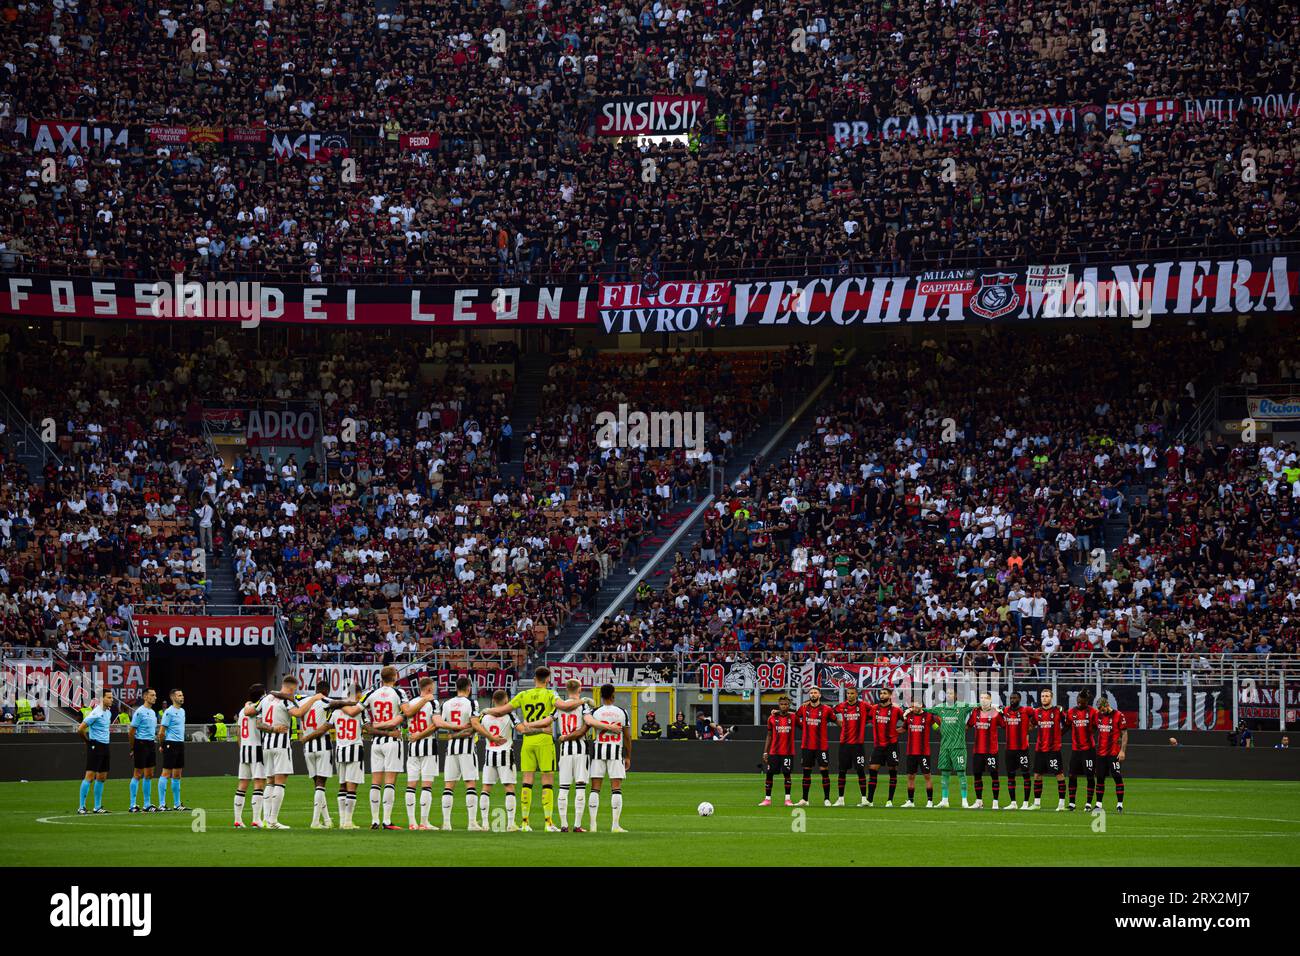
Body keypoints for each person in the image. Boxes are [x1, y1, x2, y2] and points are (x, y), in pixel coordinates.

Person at [482, 665, 587, 832]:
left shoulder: (523, 695)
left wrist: (486, 710)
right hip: (544, 740)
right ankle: (548, 823)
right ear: (548, 679)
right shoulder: (550, 694)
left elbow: (502, 710)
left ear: (534, 679)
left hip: (527, 741)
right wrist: (584, 700)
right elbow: (566, 707)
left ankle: (524, 823)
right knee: (547, 781)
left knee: (527, 781)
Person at [255, 675, 325, 829]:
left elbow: (258, 723)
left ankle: (266, 819)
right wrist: (313, 699)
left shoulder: (266, 699)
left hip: (266, 743)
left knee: (270, 781)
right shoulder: (286, 699)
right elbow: (298, 713)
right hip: (281, 744)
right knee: (280, 781)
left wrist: (271, 728)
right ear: (292, 688)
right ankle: (273, 821)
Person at [401, 676, 459, 830]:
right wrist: (457, 726)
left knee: (411, 785)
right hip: (428, 745)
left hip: (412, 746)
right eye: (433, 687)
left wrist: (415, 735)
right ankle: (424, 822)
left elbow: (405, 719)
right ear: (428, 689)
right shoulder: (432, 703)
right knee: (426, 785)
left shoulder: (411, 702)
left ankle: (412, 822)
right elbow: (436, 724)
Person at [359, 665, 410, 830]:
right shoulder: (399, 693)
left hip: (375, 741)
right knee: (390, 782)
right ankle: (387, 821)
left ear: (381, 678)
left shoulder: (371, 694)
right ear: (395, 677)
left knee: (375, 782)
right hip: (392, 740)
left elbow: (358, 710)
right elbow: (407, 712)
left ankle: (374, 820)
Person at [473, 689, 519, 832]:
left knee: (486, 789)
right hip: (505, 753)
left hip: (489, 753)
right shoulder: (510, 714)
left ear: (493, 701)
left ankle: (485, 823)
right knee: (509, 788)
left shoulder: (484, 715)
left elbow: (473, 728)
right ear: (506, 701)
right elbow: (521, 728)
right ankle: (510, 824)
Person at [587, 683, 630, 833]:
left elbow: (586, 728)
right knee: (616, 788)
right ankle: (615, 825)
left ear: (601, 695)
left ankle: (593, 825)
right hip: (615, 751)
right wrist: (628, 756)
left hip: (598, 750)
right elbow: (627, 737)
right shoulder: (622, 712)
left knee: (595, 788)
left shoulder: (595, 712)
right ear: (613, 694)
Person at [439, 676, 481, 831]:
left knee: (449, 785)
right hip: (467, 748)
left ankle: (446, 823)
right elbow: (474, 725)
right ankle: (471, 823)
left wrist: (452, 732)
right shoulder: (471, 702)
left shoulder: (447, 704)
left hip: (451, 748)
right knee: (470, 783)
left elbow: (441, 723)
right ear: (469, 688)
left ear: (456, 687)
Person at [555, 678, 592, 832]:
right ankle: (577, 825)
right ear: (579, 689)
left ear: (566, 689)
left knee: (563, 788)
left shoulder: (558, 706)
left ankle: (564, 825)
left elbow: (548, 720)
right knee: (580, 787)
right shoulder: (583, 705)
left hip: (564, 750)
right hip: (580, 749)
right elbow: (587, 725)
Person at [929, 688, 975, 808]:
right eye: (947, 693)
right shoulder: (940, 708)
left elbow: (975, 706)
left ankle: (964, 801)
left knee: (961, 773)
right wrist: (913, 709)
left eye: (951, 693)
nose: (948, 695)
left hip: (958, 747)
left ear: (955, 696)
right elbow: (926, 710)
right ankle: (945, 800)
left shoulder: (962, 707)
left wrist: (987, 704)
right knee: (944, 773)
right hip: (944, 747)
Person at [330, 684, 367, 830]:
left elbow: (328, 726)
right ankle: (348, 821)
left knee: (342, 786)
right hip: (355, 749)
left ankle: (342, 820)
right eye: (359, 694)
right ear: (356, 694)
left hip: (340, 750)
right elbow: (368, 727)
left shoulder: (335, 711)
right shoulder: (360, 711)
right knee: (352, 787)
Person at [795, 686, 836, 806]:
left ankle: (827, 799)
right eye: (811, 693)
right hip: (807, 745)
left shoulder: (827, 709)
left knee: (824, 771)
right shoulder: (803, 708)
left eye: (815, 693)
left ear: (819, 695)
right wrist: (803, 727)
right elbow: (795, 718)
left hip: (821, 746)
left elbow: (834, 720)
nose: (813, 694)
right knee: (806, 772)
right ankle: (804, 799)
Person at [234, 683, 268, 828]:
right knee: (259, 783)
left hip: (244, 749)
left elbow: (238, 732)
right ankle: (256, 819)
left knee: (242, 784)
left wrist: (242, 748)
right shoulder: (257, 709)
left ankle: (237, 819)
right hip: (256, 748)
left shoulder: (243, 710)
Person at [1031, 688, 1069, 811]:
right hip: (1040, 749)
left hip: (1053, 749)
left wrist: (1059, 734)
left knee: (1059, 775)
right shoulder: (1037, 712)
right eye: (1042, 696)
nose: (1044, 698)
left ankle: (1061, 804)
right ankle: (1036, 804)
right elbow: (1031, 725)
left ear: (1051, 697)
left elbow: (1067, 724)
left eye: (1047, 696)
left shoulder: (1058, 711)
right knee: (1037, 775)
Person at [77, 690, 114, 815]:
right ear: (102, 699)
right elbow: (80, 729)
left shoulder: (108, 713)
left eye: (111, 697)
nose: (111, 700)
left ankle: (97, 807)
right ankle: (81, 806)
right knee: (90, 776)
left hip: (105, 746)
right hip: (96, 745)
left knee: (102, 777)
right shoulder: (95, 713)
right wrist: (88, 742)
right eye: (109, 697)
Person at [866, 687, 904, 807]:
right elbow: (865, 719)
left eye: (884, 693)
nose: (882, 695)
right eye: (881, 693)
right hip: (878, 746)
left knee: (892, 771)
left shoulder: (896, 710)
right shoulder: (874, 709)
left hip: (891, 745)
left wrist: (897, 731)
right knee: (872, 770)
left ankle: (889, 801)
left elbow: (907, 722)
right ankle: (870, 800)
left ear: (890, 695)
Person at [833, 686, 870, 806]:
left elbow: (877, 710)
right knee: (842, 771)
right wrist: (838, 722)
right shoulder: (842, 706)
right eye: (848, 693)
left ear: (856, 694)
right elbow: (828, 711)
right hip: (844, 744)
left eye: (852, 693)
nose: (849, 695)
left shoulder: (864, 705)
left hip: (858, 745)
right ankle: (840, 800)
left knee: (860, 771)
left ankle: (864, 799)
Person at [967, 692, 1004, 810]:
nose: (983, 700)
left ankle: (995, 802)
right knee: (977, 776)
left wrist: (1002, 713)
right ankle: (979, 801)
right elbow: (968, 726)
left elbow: (1005, 726)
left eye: (986, 698)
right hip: (978, 750)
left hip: (991, 751)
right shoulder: (975, 712)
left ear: (991, 700)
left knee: (994, 775)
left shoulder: (995, 713)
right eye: (981, 698)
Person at [1093, 694, 1128, 812]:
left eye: (1102, 709)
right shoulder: (1098, 715)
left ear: (1107, 705)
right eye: (1099, 710)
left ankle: (1120, 804)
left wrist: (1122, 751)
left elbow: (1124, 734)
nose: (1101, 711)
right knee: (1100, 778)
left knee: (1117, 777)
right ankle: (1098, 804)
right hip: (1101, 753)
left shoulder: (1119, 715)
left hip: (1113, 753)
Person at [760, 695, 796, 807]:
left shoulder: (793, 717)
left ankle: (788, 800)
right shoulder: (771, 718)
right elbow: (769, 735)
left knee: (787, 774)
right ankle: (767, 799)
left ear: (789, 705)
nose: (784, 706)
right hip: (774, 752)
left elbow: (802, 714)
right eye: (782, 704)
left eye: (786, 704)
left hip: (788, 752)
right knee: (769, 774)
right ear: (778, 705)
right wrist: (765, 752)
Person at [1000, 691, 1034, 810]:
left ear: (1020, 699)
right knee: (1010, 776)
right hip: (1009, 749)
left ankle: (1025, 803)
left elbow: (1038, 715)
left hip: (1022, 749)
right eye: (1011, 698)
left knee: (1026, 775)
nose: (1012, 700)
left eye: (1015, 698)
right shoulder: (1006, 710)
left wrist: (1031, 726)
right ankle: (1013, 803)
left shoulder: (1027, 710)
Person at [1067, 689, 1099, 811]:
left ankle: (1088, 803)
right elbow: (1067, 725)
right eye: (1078, 700)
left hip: (1088, 749)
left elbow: (1096, 726)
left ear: (1087, 701)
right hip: (1076, 749)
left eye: (1082, 701)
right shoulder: (1071, 712)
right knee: (1072, 775)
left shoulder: (1093, 712)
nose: (1080, 702)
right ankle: (1072, 803)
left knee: (1090, 776)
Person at [900, 695, 935, 808]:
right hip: (911, 753)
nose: (915, 706)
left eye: (917, 704)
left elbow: (936, 727)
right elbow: (903, 729)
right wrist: (892, 732)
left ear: (922, 705)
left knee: (927, 776)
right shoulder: (909, 717)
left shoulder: (929, 716)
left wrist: (942, 731)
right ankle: (910, 801)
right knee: (910, 777)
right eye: (913, 704)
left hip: (924, 753)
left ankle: (930, 801)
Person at [127, 689, 158, 812]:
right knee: (138, 774)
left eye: (155, 695)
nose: (155, 697)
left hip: (150, 743)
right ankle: (132, 804)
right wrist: (133, 748)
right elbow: (131, 732)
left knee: (149, 774)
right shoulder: (139, 712)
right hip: (141, 743)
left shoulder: (152, 712)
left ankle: (147, 804)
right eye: (152, 695)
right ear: (145, 697)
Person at [157, 689, 188, 811]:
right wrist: (163, 745)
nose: (182, 697)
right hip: (170, 744)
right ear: (173, 698)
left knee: (177, 774)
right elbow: (161, 732)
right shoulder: (169, 712)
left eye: (182, 695)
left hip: (180, 744)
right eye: (179, 695)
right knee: (166, 773)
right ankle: (162, 804)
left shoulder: (182, 711)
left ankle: (177, 804)